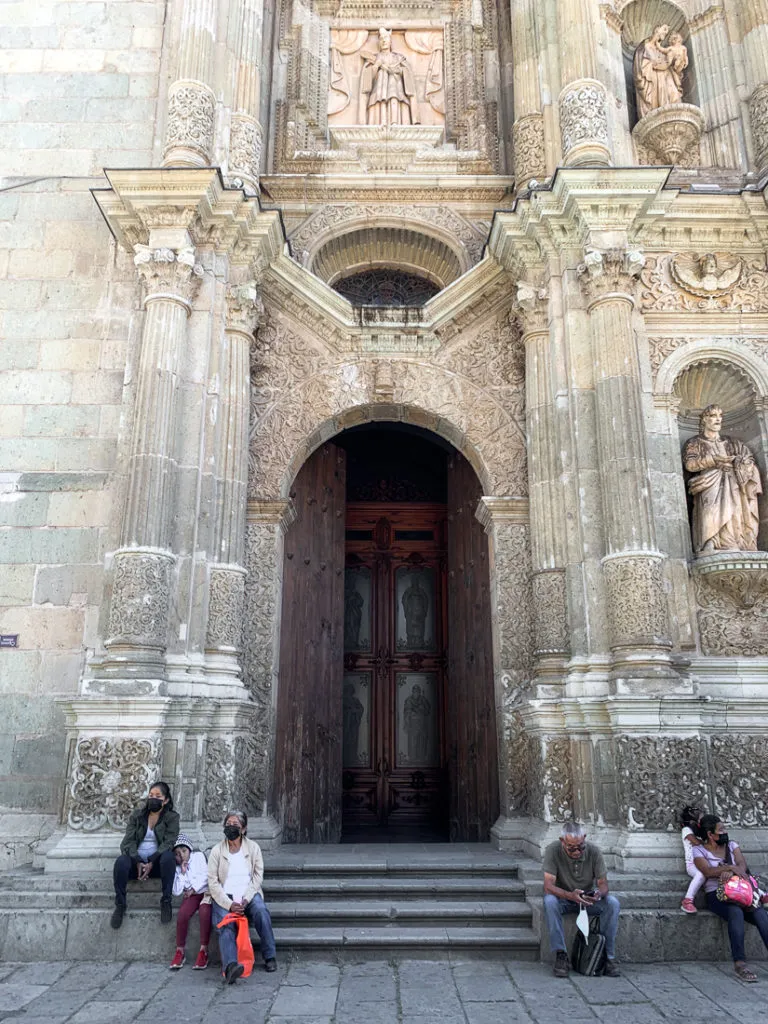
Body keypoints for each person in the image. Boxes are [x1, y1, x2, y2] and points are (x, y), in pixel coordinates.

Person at [693, 814, 768, 983]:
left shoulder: (732, 845)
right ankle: (740, 963)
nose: (725, 832)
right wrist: (728, 867)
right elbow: (707, 872)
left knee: (760, 914)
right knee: (735, 913)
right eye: (721, 830)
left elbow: (742, 866)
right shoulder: (699, 850)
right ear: (710, 835)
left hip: (742, 892)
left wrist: (732, 869)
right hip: (717, 894)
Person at [542, 821, 621, 978]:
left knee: (613, 903)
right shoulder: (552, 850)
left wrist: (598, 894)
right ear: (562, 841)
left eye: (580, 847)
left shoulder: (594, 851)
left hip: (587, 899)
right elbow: (548, 886)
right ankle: (561, 955)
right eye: (571, 848)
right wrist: (569, 895)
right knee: (549, 902)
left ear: (584, 838)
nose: (577, 851)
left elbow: (603, 884)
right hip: (564, 898)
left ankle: (607, 957)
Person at [207, 809, 277, 983]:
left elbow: (257, 877)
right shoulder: (216, 851)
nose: (231, 828)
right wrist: (229, 904)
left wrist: (246, 898)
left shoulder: (253, 848)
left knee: (261, 912)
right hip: (225, 896)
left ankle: (270, 956)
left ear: (244, 829)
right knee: (225, 924)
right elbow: (213, 883)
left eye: (235, 825)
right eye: (228, 824)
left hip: (248, 894)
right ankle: (231, 966)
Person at [683, 405, 762, 555]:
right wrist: (713, 460)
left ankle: (738, 541)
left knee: (735, 510)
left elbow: (748, 458)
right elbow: (690, 464)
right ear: (704, 419)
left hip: (734, 483)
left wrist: (740, 463)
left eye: (720, 416)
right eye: (713, 415)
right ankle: (710, 541)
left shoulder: (733, 443)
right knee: (710, 511)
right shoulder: (695, 443)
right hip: (710, 483)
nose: (718, 419)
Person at [111, 781, 180, 929]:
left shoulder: (172, 817)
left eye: (158, 796)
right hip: (136, 863)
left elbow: (169, 842)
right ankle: (120, 905)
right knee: (121, 862)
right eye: (151, 795)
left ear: (166, 800)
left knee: (169, 858)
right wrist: (137, 860)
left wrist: (151, 862)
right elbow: (127, 842)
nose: (153, 799)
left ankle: (166, 901)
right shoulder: (137, 816)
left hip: (156, 863)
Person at [169, 833, 212, 970]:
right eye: (177, 853)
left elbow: (206, 875)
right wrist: (182, 873)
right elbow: (176, 891)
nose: (181, 855)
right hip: (191, 896)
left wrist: (193, 889)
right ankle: (180, 951)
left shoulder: (198, 857)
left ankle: (203, 950)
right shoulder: (177, 868)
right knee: (183, 914)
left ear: (190, 850)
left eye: (184, 851)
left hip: (205, 892)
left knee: (205, 912)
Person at [633, 24, 684, 118]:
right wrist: (659, 64)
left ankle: (671, 106)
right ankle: (659, 105)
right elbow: (643, 64)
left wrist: (677, 62)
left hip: (664, 76)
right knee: (663, 76)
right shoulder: (645, 46)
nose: (665, 32)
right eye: (664, 29)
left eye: (666, 31)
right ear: (657, 30)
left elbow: (667, 63)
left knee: (671, 84)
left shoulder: (661, 50)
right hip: (653, 78)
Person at [680, 804, 706, 914]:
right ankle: (687, 901)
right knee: (700, 875)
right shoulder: (686, 830)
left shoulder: (701, 833)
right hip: (692, 864)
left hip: (705, 861)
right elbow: (695, 842)